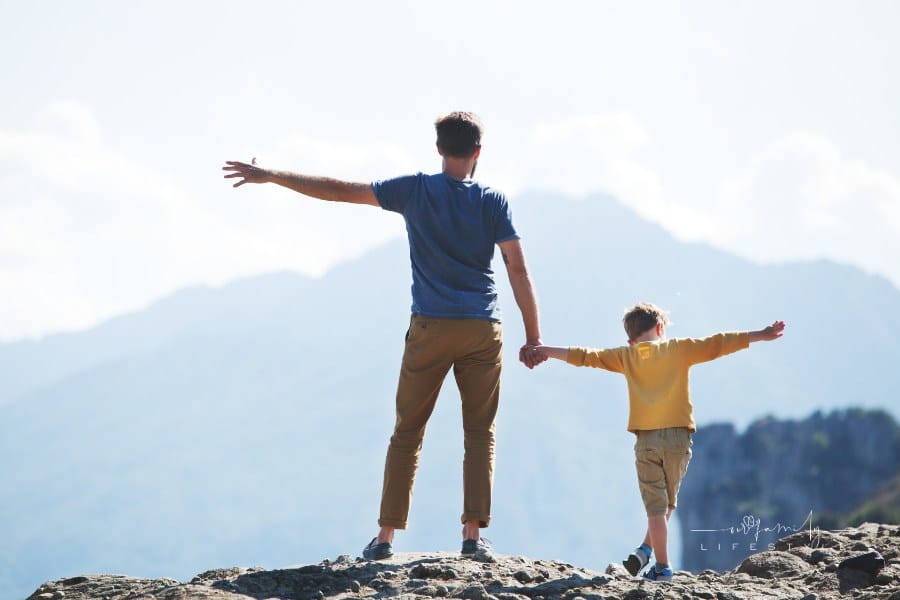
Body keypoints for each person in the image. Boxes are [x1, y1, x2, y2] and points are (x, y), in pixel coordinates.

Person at [222, 111, 545, 561]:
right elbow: (518, 267)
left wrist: (273, 175)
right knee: (479, 432)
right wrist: (533, 337)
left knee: (407, 432)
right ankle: (473, 537)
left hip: (429, 326)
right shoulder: (494, 201)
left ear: (438, 149)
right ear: (477, 152)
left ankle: (386, 538)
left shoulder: (413, 189)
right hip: (481, 328)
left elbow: (338, 190)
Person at [534, 302, 785, 582]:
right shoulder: (678, 349)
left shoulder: (626, 356)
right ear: (660, 328)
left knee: (656, 506)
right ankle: (646, 553)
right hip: (679, 437)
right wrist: (760, 335)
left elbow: (585, 356)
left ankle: (661, 566)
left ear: (631, 339)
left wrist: (546, 350)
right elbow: (718, 343)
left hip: (647, 439)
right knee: (667, 504)